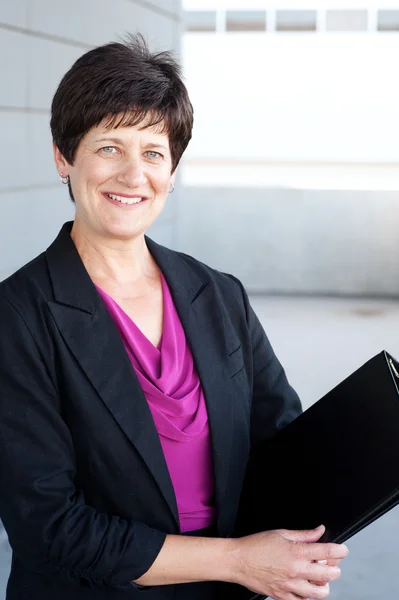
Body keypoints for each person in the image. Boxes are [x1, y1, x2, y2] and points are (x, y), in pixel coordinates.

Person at [0, 34, 348, 600]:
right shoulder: (18, 317)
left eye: (153, 152)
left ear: (173, 167)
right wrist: (236, 560)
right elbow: (49, 526)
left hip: (230, 589)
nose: (133, 175)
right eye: (109, 147)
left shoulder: (218, 294)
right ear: (65, 155)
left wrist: (316, 530)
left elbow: (281, 436)